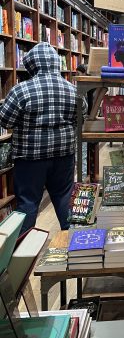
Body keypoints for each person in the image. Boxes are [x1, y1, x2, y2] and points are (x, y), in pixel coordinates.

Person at [0, 43, 79, 234]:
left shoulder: (21, 90)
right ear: (55, 63)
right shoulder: (72, 89)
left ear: (31, 65)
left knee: (28, 202)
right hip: (64, 153)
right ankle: (76, 245)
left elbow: (5, 120)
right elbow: (81, 116)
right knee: (64, 198)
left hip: (30, 158)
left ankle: (23, 253)